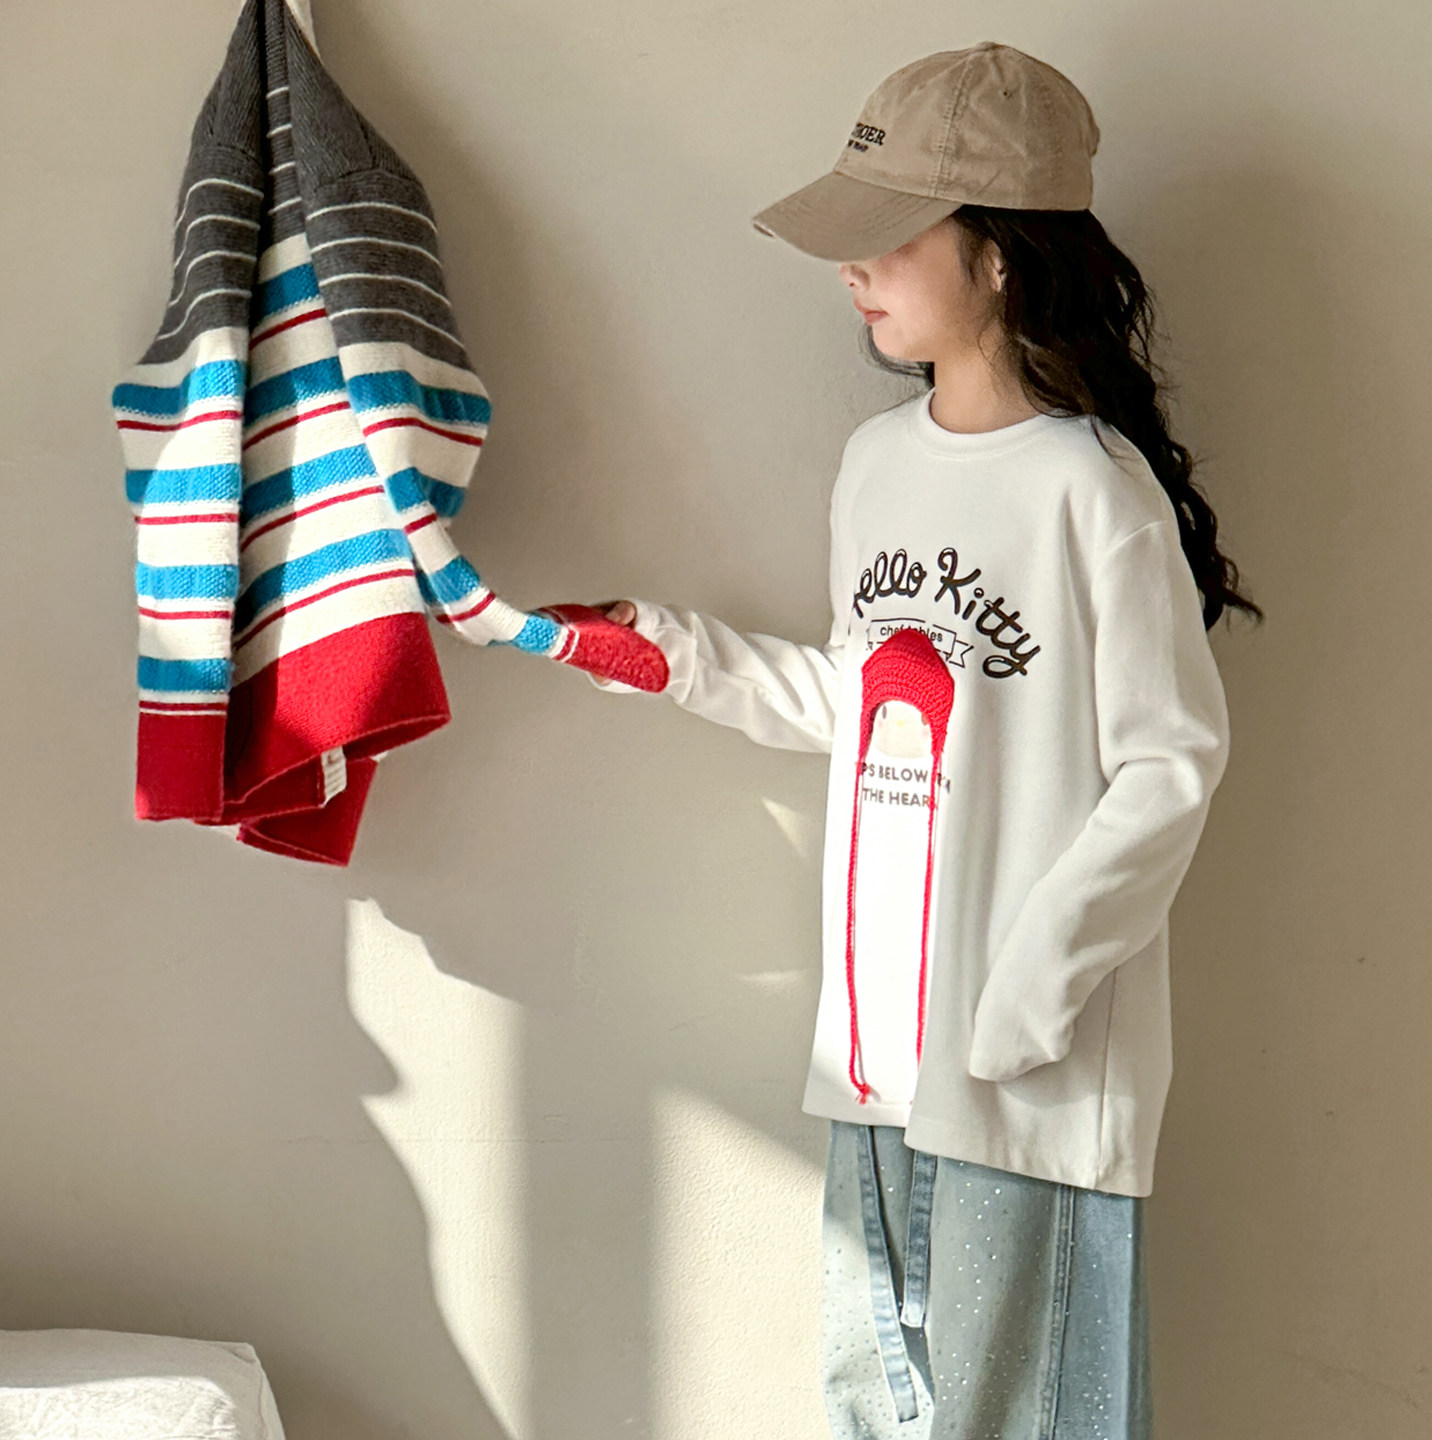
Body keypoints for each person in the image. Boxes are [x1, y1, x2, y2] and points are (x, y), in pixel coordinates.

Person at [576, 42, 1261, 1440]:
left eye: (890, 234)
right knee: (872, 1410)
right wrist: (670, 653)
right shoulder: (878, 466)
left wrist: (1027, 996)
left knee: (1026, 1419)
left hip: (1025, 1072)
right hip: (879, 1049)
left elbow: (1170, 765)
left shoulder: (1092, 492)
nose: (852, 269)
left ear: (999, 256)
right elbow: (866, 699)